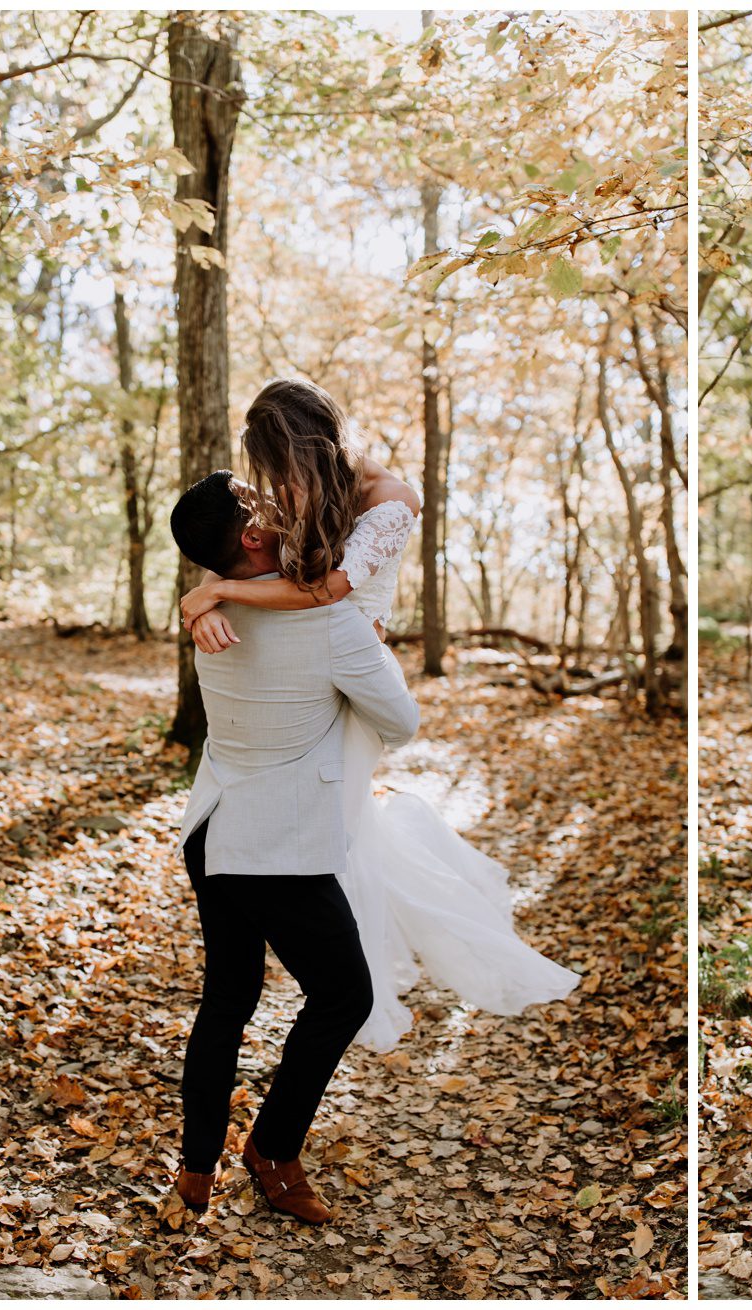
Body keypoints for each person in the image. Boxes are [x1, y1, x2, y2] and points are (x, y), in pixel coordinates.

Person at [178, 378, 578, 1054]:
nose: (280, 491)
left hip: (350, 665)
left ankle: (351, 985)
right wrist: (211, 600)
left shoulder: (392, 501)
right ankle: (346, 982)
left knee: (343, 825)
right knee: (342, 828)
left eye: (282, 471)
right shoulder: (311, 492)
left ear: (311, 447)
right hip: (314, 668)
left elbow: (329, 589)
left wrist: (212, 589)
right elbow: (272, 566)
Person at [167, 469, 420, 1223]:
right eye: (264, 501)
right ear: (253, 537)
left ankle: (195, 1171)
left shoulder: (209, 613)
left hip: (212, 828)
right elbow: (401, 721)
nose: (285, 503)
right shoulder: (329, 622)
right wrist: (372, 642)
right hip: (274, 847)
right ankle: (272, 1151)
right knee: (345, 994)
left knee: (227, 1000)